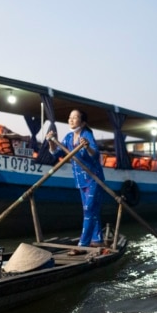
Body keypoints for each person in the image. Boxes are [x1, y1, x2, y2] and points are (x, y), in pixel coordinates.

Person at [47, 109, 106, 255]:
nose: (71, 120)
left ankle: (82, 244)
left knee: (88, 209)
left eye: (75, 118)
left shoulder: (86, 135)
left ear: (83, 122)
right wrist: (51, 142)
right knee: (92, 210)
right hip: (80, 180)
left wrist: (87, 147)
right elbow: (56, 153)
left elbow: (95, 153)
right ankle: (97, 239)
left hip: (93, 178)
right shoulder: (68, 137)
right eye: (70, 117)